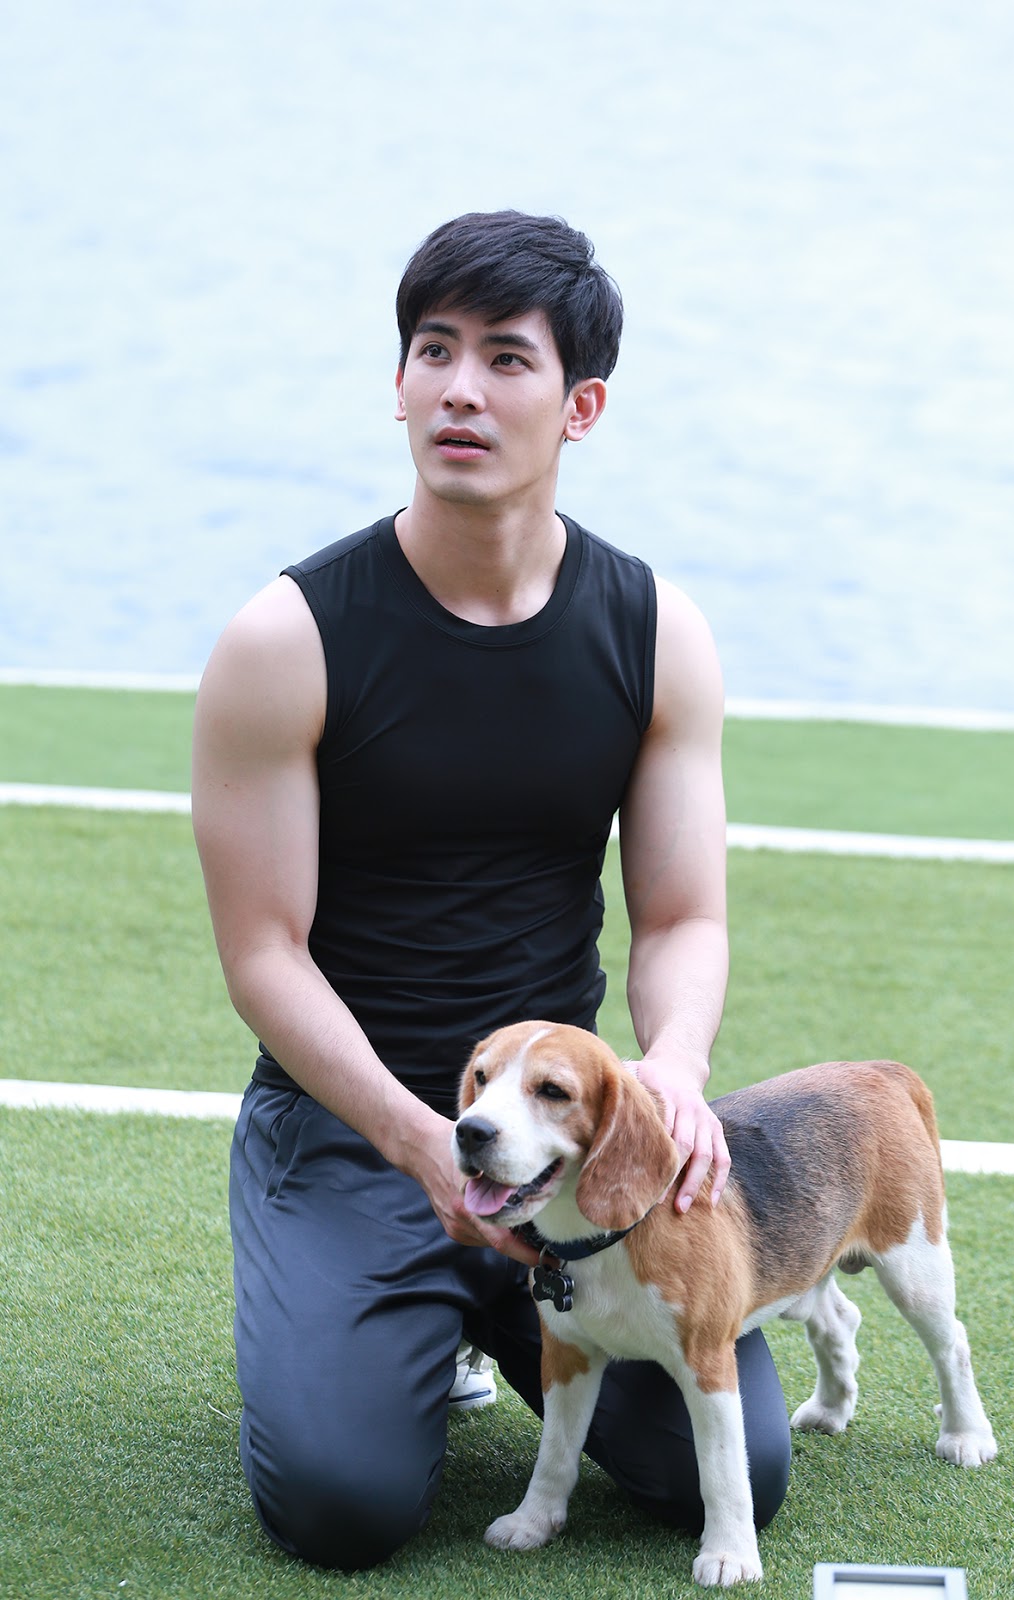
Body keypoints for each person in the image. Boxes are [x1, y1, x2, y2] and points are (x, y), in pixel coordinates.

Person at [191, 209, 791, 1571]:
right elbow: (266, 955)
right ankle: (390, 1318)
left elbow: (683, 917)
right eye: (434, 350)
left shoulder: (654, 630)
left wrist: (672, 1072)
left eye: (506, 359)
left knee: (731, 1472)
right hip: (353, 1132)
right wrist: (419, 1143)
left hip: (563, 1140)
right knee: (340, 1505)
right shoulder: (286, 639)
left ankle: (494, 1323)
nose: (460, 388)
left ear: (581, 406)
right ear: (399, 382)